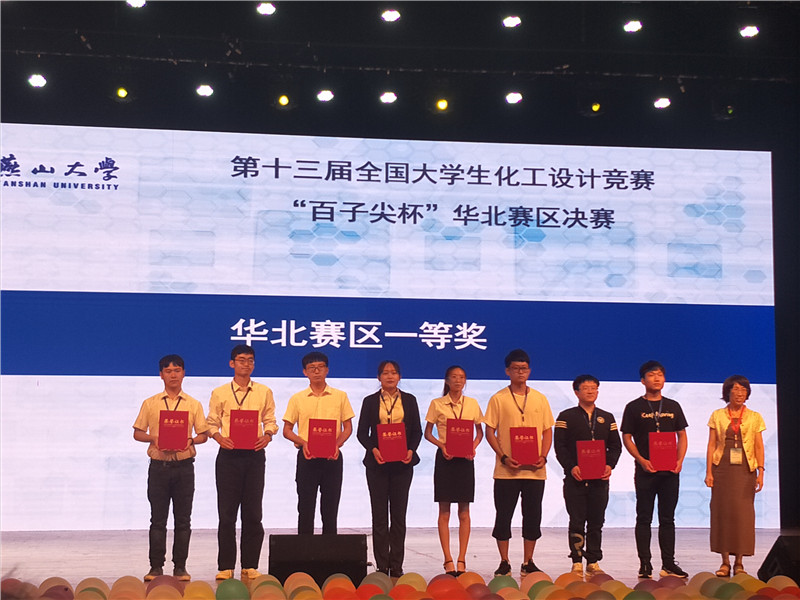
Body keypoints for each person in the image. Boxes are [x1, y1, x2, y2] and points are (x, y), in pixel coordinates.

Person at [133, 354, 210, 582]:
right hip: (159, 467)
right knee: (157, 520)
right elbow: (137, 433)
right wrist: (153, 438)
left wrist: (191, 440)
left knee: (183, 520)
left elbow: (203, 435)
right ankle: (156, 567)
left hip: (184, 468)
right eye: (168, 371)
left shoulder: (193, 404)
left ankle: (180, 567)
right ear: (161, 375)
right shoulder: (150, 403)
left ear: (183, 373)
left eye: (177, 370)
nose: (173, 375)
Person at [207, 344, 277, 581]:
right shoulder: (220, 392)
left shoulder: (264, 391)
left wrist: (267, 436)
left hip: (254, 456)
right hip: (228, 456)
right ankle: (226, 565)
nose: (246, 364)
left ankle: (250, 564)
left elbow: (270, 419)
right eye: (241, 360)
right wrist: (219, 438)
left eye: (250, 360)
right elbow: (211, 422)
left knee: (253, 512)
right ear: (232, 363)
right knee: (227, 513)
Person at [484, 349, 555, 578]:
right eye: (515, 368)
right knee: (503, 515)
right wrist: (503, 457)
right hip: (507, 470)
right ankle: (504, 561)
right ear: (507, 371)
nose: (520, 372)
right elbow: (489, 431)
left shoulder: (540, 398)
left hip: (535, 471)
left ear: (529, 371)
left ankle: (528, 561)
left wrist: (543, 456)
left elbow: (547, 430)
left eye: (524, 368)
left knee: (532, 516)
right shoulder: (498, 398)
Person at [621, 360, 689, 579]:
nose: (656, 378)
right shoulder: (634, 407)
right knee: (644, 518)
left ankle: (668, 563)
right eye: (651, 375)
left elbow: (682, 435)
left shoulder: (673, 406)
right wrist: (641, 460)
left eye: (660, 374)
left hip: (670, 472)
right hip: (646, 471)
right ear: (643, 380)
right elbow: (627, 437)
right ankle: (645, 564)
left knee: (667, 519)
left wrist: (680, 460)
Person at [357, 360, 422, 578]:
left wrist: (411, 450)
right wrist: (373, 449)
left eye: (394, 372)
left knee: (399, 516)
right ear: (379, 377)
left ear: (399, 376)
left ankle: (397, 565)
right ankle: (382, 564)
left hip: (402, 465)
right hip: (378, 464)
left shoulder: (410, 400)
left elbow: (417, 431)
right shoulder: (369, 401)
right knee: (379, 516)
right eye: (385, 373)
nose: (390, 376)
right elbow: (361, 433)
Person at [554, 374, 622, 577]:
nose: (591, 391)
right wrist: (571, 467)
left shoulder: (607, 417)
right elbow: (560, 446)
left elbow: (615, 446)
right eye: (586, 388)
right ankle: (576, 560)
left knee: (596, 521)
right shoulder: (566, 416)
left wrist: (609, 465)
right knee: (576, 520)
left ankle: (593, 560)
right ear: (576, 392)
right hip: (575, 479)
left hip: (599, 480)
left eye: (594, 388)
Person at [283, 351, 355, 535]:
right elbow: (287, 430)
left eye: (320, 367)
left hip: (333, 457)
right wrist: (303, 443)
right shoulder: (297, 398)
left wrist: (336, 444)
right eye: (312, 368)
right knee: (305, 508)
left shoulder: (340, 396)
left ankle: (329, 550)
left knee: (330, 509)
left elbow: (348, 427)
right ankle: (304, 550)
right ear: (304, 372)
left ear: (327, 370)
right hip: (307, 457)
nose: (316, 371)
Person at [424, 365, 484, 577]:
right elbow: (427, 433)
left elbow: (480, 432)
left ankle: (462, 558)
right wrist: (442, 446)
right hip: (446, 459)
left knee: (464, 511)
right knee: (444, 511)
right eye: (454, 377)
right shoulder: (437, 404)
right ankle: (448, 558)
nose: (458, 380)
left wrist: (473, 447)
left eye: (462, 377)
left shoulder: (472, 403)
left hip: (465, 460)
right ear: (447, 381)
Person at [704, 375, 765, 577]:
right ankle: (724, 562)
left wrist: (761, 471)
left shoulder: (755, 416)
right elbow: (711, 444)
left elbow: (758, 445)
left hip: (746, 470)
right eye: (736, 389)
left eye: (743, 390)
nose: (740, 393)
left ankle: (739, 562)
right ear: (727, 392)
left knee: (742, 515)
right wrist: (709, 472)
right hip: (722, 469)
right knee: (722, 512)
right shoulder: (717, 415)